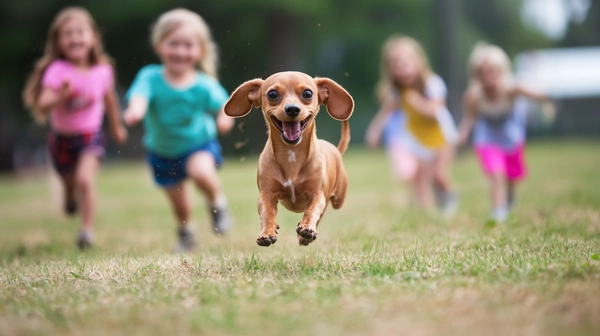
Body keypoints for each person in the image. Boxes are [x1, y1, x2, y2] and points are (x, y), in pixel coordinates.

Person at [123, 8, 234, 252]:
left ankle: (218, 203)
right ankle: (186, 232)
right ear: (159, 45)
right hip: (163, 151)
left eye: (188, 45)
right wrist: (135, 110)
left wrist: (224, 119)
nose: (181, 51)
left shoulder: (204, 84)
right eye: (173, 44)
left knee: (202, 172)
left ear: (200, 50)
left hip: (198, 143)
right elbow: (139, 97)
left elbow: (225, 106)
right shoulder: (150, 77)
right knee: (181, 205)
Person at [22, 7, 128, 249]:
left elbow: (110, 100)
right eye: (67, 34)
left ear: (93, 38)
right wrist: (61, 95)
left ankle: (86, 231)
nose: (74, 37)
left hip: (91, 136)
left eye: (80, 32)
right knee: (69, 182)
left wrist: (117, 126)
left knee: (85, 180)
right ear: (59, 42)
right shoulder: (58, 72)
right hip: (62, 139)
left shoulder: (103, 71)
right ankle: (69, 197)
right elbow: (43, 104)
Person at [458, 42, 555, 223]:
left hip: (510, 135)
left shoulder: (511, 88)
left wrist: (546, 101)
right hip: (487, 136)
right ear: (475, 75)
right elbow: (469, 117)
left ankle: (510, 193)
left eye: (493, 71)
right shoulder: (473, 95)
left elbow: (536, 93)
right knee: (495, 172)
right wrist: (463, 132)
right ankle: (499, 210)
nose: (488, 77)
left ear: (502, 70)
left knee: (511, 175)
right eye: (482, 73)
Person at [365, 35, 458, 214]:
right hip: (419, 139)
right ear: (391, 70)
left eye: (407, 63)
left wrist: (419, 103)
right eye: (397, 66)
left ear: (419, 62)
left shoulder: (432, 83)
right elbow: (386, 112)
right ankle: (424, 208)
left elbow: (436, 109)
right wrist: (375, 131)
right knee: (423, 175)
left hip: (442, 135)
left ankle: (449, 196)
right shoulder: (397, 91)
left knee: (439, 175)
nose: (403, 69)